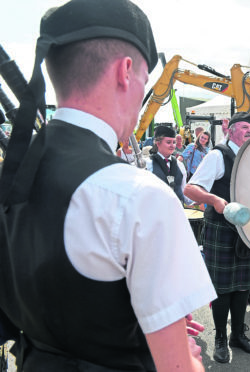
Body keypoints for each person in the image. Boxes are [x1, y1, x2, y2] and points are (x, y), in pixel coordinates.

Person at [0, 1, 216, 371]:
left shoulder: (16, 176)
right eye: (145, 83)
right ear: (125, 71)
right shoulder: (138, 195)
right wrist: (189, 357)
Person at [184, 111, 250, 364]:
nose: (248, 131)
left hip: (247, 230)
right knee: (222, 289)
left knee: (242, 287)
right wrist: (214, 200)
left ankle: (237, 335)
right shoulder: (217, 155)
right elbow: (190, 189)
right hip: (221, 228)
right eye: (242, 127)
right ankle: (220, 337)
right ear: (230, 130)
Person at [147, 126, 189, 205]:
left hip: (177, 211)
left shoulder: (179, 165)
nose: (172, 145)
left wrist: (196, 200)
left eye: (174, 142)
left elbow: (183, 190)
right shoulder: (148, 164)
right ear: (158, 143)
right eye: (168, 142)